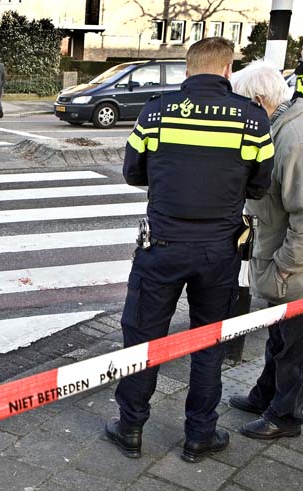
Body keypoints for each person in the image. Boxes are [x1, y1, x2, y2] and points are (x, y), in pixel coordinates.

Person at [104, 37, 274, 463]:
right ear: (228, 70)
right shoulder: (252, 120)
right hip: (218, 252)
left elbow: (132, 172)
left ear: (186, 69)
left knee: (143, 339)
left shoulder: (157, 111)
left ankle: (130, 429)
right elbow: (260, 184)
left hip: (161, 245)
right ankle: (200, 434)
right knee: (207, 341)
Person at [230, 62, 303, 440]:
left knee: (294, 345)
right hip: (277, 259)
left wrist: (286, 268)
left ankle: (285, 415)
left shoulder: (293, 138)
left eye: (241, 104)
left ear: (259, 100)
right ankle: (266, 395)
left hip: (293, 269)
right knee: (280, 337)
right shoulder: (279, 127)